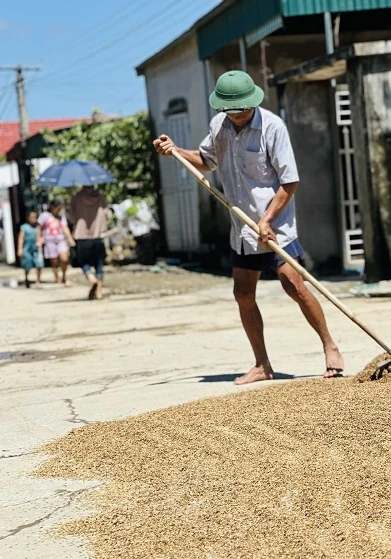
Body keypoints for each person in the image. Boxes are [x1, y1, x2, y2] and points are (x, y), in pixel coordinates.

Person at [152, 70, 345, 384]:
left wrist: (267, 220)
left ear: (252, 103)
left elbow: (289, 181)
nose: (238, 115)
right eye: (231, 111)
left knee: (294, 286)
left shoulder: (272, 127)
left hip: (276, 225)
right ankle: (262, 364)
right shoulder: (219, 126)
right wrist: (175, 151)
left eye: (242, 110)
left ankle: (330, 346)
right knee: (243, 293)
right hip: (241, 228)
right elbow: (205, 160)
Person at [69, 185, 111, 300]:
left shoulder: (76, 197)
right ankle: (99, 292)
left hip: (82, 235)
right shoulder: (100, 196)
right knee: (99, 262)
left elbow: (72, 216)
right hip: (98, 234)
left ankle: (91, 278)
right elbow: (108, 214)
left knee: (83, 261)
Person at [39, 200, 75, 286]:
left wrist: (70, 238)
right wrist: (39, 239)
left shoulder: (61, 217)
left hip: (60, 240)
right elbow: (39, 228)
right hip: (49, 241)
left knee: (64, 259)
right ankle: (57, 278)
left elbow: (64, 227)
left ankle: (64, 275)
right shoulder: (44, 216)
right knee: (54, 261)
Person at [17, 210, 44, 288]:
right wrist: (20, 249)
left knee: (39, 264)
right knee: (27, 264)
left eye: (35, 217)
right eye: (32, 217)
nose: (34, 219)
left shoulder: (38, 227)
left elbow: (40, 236)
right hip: (27, 248)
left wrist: (40, 241)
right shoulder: (24, 227)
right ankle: (26, 278)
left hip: (36, 248)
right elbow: (21, 238)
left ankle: (38, 281)